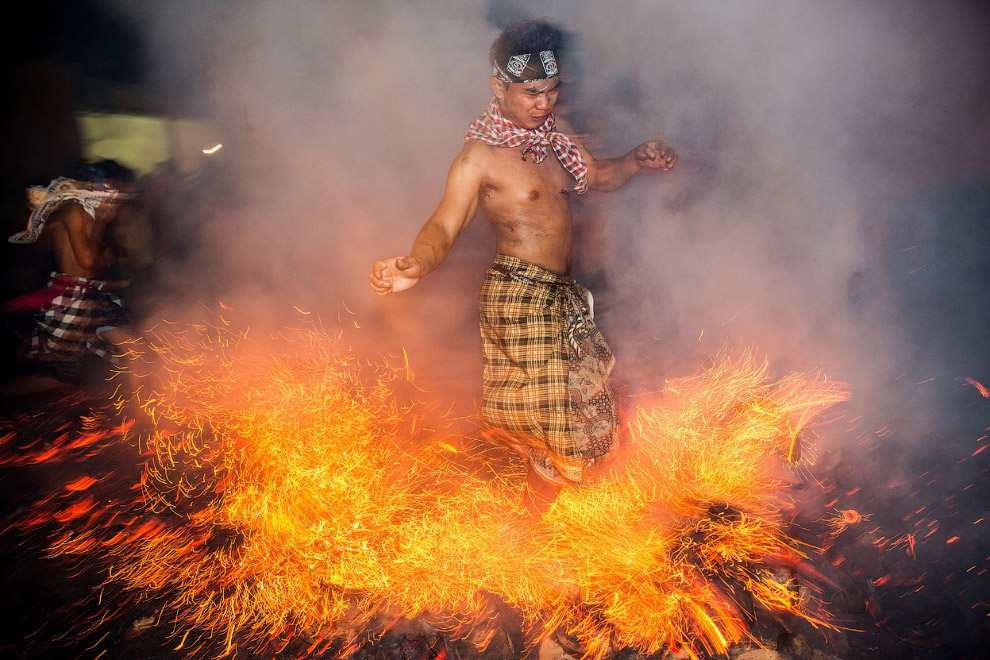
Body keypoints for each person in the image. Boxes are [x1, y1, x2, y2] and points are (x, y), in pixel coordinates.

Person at [369, 20, 676, 510]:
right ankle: (529, 530)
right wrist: (416, 265)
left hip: (559, 293)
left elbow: (597, 176)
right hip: (518, 294)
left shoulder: (555, 136)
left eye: (552, 91)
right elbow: (444, 226)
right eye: (532, 93)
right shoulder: (479, 158)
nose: (545, 103)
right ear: (498, 87)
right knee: (564, 422)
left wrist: (637, 159)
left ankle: (540, 515)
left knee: (585, 410)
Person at [5, 160, 136, 383]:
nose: (113, 192)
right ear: (89, 183)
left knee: (133, 348)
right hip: (73, 300)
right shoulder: (76, 209)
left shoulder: (84, 208)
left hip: (90, 296)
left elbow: (83, 256)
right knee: (61, 378)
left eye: (115, 186)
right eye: (109, 185)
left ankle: (147, 402)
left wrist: (103, 250)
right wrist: (102, 225)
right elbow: (86, 261)